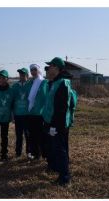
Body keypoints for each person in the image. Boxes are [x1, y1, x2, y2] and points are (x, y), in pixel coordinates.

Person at [42, 57, 77, 186]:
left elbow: (61, 108)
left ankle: (65, 178)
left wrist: (55, 126)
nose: (48, 68)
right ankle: (59, 169)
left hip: (58, 124)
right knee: (56, 148)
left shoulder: (62, 83)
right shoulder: (54, 82)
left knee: (60, 149)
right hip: (52, 122)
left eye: (50, 66)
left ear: (56, 68)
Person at [25, 64, 48, 161]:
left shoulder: (44, 82)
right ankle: (34, 153)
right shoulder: (30, 83)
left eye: (34, 70)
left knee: (40, 135)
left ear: (38, 70)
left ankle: (43, 154)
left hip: (40, 113)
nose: (33, 72)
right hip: (31, 113)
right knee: (32, 135)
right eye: (31, 70)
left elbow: (46, 98)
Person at [11, 67, 31, 158]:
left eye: (23, 74)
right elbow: (12, 100)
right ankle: (18, 153)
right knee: (19, 135)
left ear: (27, 75)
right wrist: (12, 114)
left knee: (28, 134)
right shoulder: (15, 86)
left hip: (27, 115)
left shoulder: (30, 85)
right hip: (18, 114)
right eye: (20, 74)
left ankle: (29, 152)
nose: (21, 76)